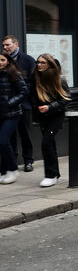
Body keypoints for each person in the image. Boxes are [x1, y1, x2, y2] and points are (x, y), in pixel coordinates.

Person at [31, 54, 70, 187]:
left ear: (50, 64)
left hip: (56, 115)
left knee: (46, 143)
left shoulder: (59, 79)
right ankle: (55, 174)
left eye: (42, 63)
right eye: (38, 62)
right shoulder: (36, 77)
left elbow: (65, 100)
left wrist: (49, 107)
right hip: (43, 116)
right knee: (50, 145)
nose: (39, 65)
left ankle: (50, 175)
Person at [2, 35, 35, 172]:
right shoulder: (3, 60)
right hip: (8, 107)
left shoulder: (28, 60)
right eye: (4, 45)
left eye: (7, 45)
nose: (5, 47)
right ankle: (12, 161)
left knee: (25, 134)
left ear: (16, 44)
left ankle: (28, 161)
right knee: (10, 136)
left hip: (24, 104)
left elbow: (32, 83)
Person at [0, 51, 28, 184]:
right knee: (5, 143)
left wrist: (9, 103)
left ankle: (13, 169)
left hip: (12, 114)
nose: (0, 63)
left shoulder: (14, 73)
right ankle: (4, 171)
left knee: (3, 141)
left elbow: (24, 92)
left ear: (8, 61)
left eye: (2, 60)